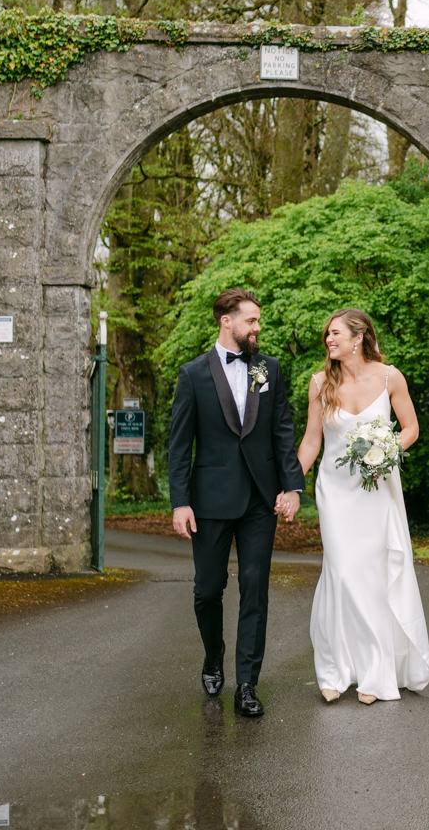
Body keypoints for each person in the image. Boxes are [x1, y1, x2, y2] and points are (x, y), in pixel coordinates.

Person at [169, 288, 305, 718]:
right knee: (207, 589)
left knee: (255, 590)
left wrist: (292, 487)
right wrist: (180, 501)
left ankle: (247, 683)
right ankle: (213, 656)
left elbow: (282, 430)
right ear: (226, 321)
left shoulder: (268, 369)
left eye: (258, 320)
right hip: (209, 500)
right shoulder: (192, 374)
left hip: (261, 500)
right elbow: (180, 445)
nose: (257, 327)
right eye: (251, 320)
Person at [298, 308, 429, 704]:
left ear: (359, 338)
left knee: (373, 578)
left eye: (335, 333)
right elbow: (311, 441)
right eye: (327, 334)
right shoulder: (320, 383)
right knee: (341, 574)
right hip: (336, 492)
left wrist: (386, 450)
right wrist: (289, 484)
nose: (328, 340)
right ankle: (334, 670)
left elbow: (411, 428)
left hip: (377, 490)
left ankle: (375, 674)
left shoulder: (390, 377)